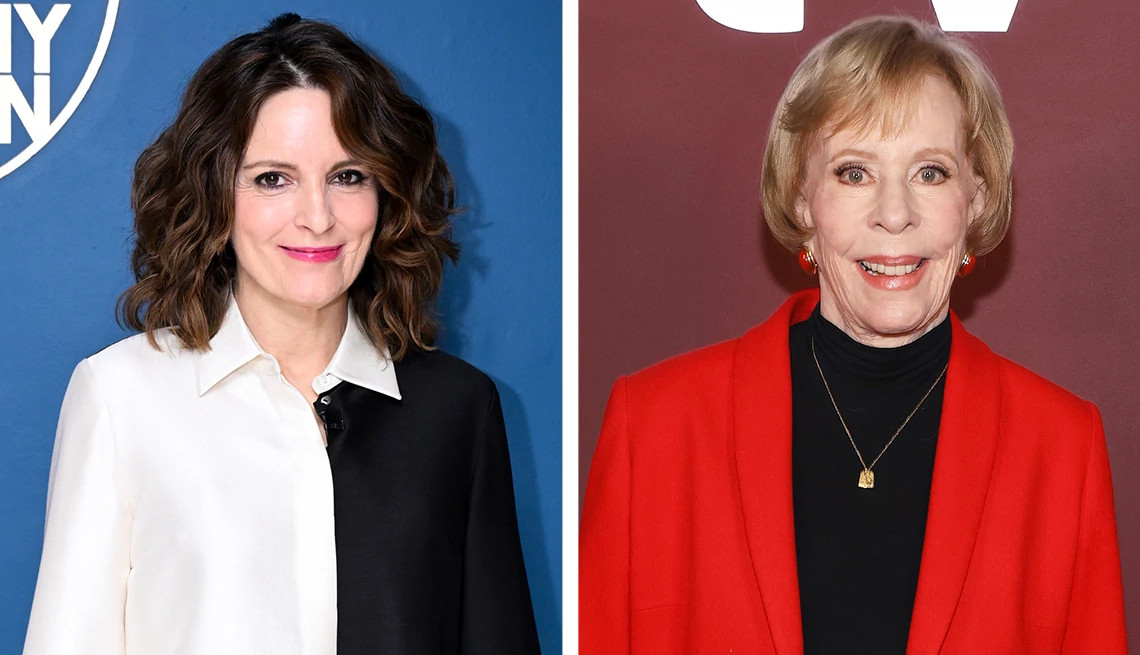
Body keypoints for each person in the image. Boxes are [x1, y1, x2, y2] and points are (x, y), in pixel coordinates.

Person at [580, 15, 1126, 654]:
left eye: (930, 172)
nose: (894, 215)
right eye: (853, 172)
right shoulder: (655, 427)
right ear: (801, 201)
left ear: (976, 200)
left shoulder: (1061, 449)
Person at [24, 14, 539, 654]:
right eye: (273, 179)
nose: (317, 217)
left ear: (386, 194)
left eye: (347, 176)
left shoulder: (458, 409)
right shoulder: (121, 396)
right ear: (216, 194)